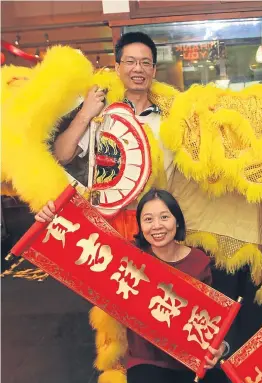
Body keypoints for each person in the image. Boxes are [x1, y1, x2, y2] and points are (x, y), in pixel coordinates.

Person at [34, 188, 228, 383]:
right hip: (146, 361)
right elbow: (80, 243)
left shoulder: (198, 261)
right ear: (140, 225)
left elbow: (211, 319)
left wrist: (221, 348)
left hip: (188, 362)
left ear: (177, 221)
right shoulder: (129, 256)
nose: (157, 226)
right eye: (148, 219)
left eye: (164, 217)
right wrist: (52, 217)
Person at [53, 31, 175, 239]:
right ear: (118, 67)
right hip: (106, 225)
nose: (138, 68)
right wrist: (85, 113)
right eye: (130, 61)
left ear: (153, 71)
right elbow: (61, 155)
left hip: (158, 228)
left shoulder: (171, 118)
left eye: (146, 63)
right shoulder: (102, 114)